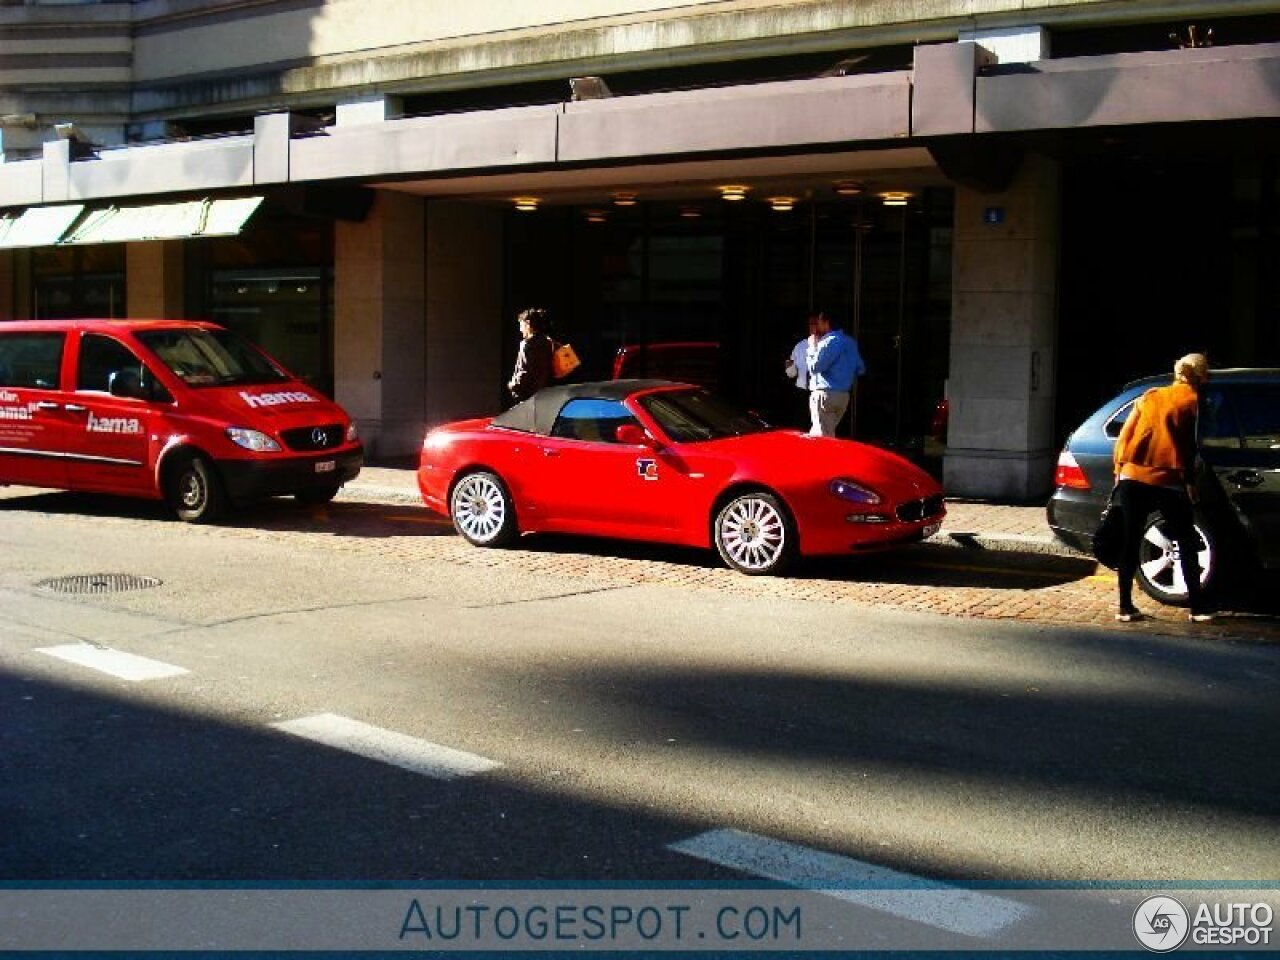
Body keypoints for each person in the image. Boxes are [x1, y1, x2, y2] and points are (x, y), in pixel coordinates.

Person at [1111, 352, 1213, 623]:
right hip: (1168, 479)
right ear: (1202, 376)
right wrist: (1190, 482)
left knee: (1131, 541)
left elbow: (1125, 436)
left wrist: (1119, 471)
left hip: (1133, 475)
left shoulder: (1150, 396)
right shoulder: (1193, 401)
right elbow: (1190, 446)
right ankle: (1197, 607)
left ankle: (1124, 607)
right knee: (1186, 541)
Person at [804, 309, 866, 437]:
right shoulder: (850, 342)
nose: (817, 326)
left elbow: (814, 367)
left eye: (819, 322)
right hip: (842, 396)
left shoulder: (829, 341)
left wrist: (811, 347)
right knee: (825, 433)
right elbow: (860, 369)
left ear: (826, 323)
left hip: (825, 395)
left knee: (822, 438)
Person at [507, 307, 554, 403]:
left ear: (528, 324)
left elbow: (525, 371)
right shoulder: (548, 342)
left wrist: (513, 385)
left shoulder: (528, 344)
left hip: (528, 398)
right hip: (545, 396)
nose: (520, 330)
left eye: (521, 325)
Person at [784, 314, 819, 426]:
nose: (813, 327)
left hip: (821, 392)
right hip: (802, 392)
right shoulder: (800, 346)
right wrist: (788, 366)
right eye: (811, 324)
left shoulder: (828, 345)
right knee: (800, 425)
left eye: (815, 323)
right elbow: (791, 374)